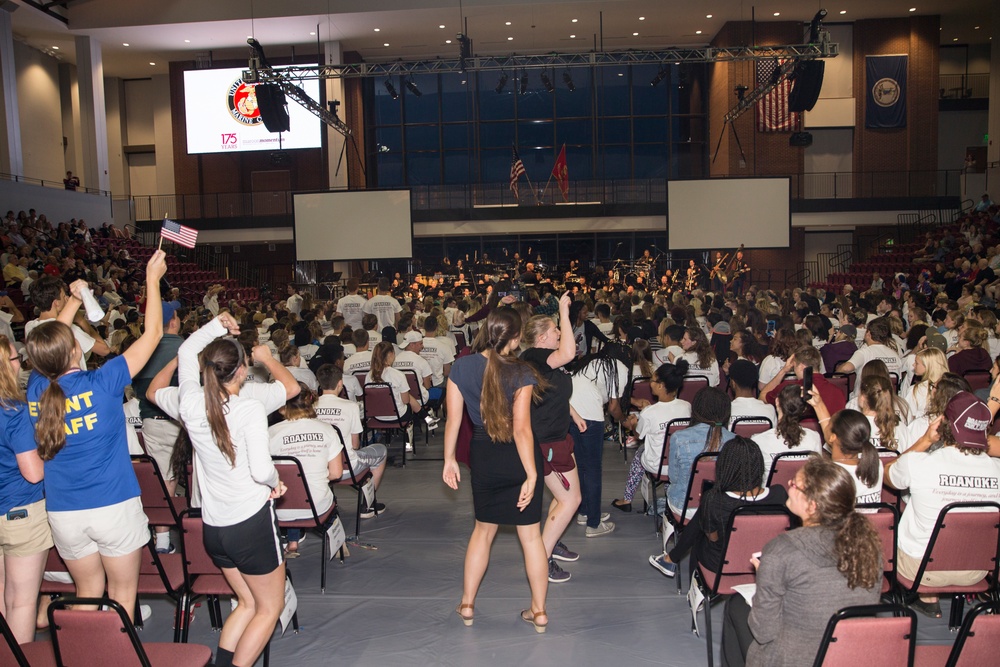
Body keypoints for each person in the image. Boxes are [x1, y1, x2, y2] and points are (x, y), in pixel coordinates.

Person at [25, 250, 167, 622]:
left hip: (63, 511)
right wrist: (152, 280)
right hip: (113, 505)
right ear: (76, 348)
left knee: (87, 592)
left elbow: (50, 341)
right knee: (122, 595)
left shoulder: (37, 388)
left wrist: (72, 301)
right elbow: (152, 334)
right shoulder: (103, 381)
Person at [153, 313, 287, 667]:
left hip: (214, 529)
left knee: (247, 603)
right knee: (270, 608)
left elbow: (185, 352)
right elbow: (261, 470)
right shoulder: (248, 409)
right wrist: (277, 483)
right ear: (242, 370)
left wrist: (216, 326)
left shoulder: (189, 402)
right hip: (249, 524)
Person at [442, 307, 549, 632]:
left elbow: (453, 420)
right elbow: (521, 431)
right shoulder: (522, 372)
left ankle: (468, 603)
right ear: (516, 339)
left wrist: (448, 458)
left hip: (484, 457)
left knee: (483, 532)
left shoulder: (461, 367)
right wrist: (531, 474)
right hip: (519, 459)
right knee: (531, 538)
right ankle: (540, 611)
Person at [721, 458, 882, 667]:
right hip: (852, 654)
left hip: (793, 659)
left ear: (812, 505)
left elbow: (763, 632)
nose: (789, 484)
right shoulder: (869, 545)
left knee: (735, 607)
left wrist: (765, 580)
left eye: (795, 484)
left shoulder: (782, 550)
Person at [885, 391, 1000, 619]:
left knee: (888, 524)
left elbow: (888, 474)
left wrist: (925, 440)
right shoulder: (997, 470)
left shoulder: (918, 463)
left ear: (943, 424)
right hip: (975, 571)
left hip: (921, 571)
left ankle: (928, 599)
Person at [649, 436, 787, 578]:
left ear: (724, 466)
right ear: (759, 466)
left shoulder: (715, 500)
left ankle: (674, 561)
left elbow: (713, 539)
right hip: (767, 560)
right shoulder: (780, 493)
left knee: (700, 531)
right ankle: (672, 558)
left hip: (721, 564)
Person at [520, 294, 581, 583]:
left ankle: (550, 542)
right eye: (556, 330)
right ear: (544, 336)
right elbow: (569, 353)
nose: (560, 334)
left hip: (556, 436)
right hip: (545, 442)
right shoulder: (533, 356)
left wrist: (573, 412)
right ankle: (541, 559)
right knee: (571, 500)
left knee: (564, 498)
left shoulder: (542, 362)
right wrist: (563, 313)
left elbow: (548, 390)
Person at [0, 334, 50, 643]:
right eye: (17, 358)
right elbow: (33, 473)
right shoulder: (13, 412)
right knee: (20, 601)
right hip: (20, 511)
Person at [267, 384, 343, 558]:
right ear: (311, 402)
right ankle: (337, 540)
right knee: (307, 486)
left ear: (282, 407)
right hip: (316, 508)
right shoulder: (327, 429)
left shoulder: (270, 433)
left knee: (291, 485)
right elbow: (336, 474)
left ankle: (292, 541)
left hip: (279, 509)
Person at [613, 361, 692, 512]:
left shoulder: (649, 413)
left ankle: (627, 499)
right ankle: (669, 495)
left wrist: (634, 423)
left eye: (653, 380)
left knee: (639, 456)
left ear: (661, 385)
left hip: (658, 465)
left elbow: (638, 434)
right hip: (680, 464)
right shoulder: (686, 406)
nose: (651, 383)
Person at [569, 343, 629, 537]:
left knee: (580, 466)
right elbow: (613, 407)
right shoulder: (620, 367)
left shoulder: (591, 362)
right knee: (593, 469)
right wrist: (625, 421)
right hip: (590, 416)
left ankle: (585, 512)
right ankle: (594, 524)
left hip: (569, 412)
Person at [314, 365, 387, 518]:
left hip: (317, 467)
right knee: (381, 451)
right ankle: (367, 505)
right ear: (340, 384)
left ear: (319, 384)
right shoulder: (350, 406)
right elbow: (355, 445)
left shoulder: (310, 407)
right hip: (346, 467)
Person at [667, 388, 734, 520]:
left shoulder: (679, 438)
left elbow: (673, 478)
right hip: (723, 509)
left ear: (696, 409)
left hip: (686, 508)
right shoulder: (736, 440)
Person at [750, 385, 822, 482]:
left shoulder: (757, 441)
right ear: (805, 409)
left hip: (771, 495)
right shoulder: (815, 437)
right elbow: (818, 474)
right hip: (805, 494)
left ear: (777, 402)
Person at [902, 347, 948, 418]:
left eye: (916, 363)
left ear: (928, 366)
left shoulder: (917, 390)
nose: (913, 365)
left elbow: (906, 415)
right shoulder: (951, 387)